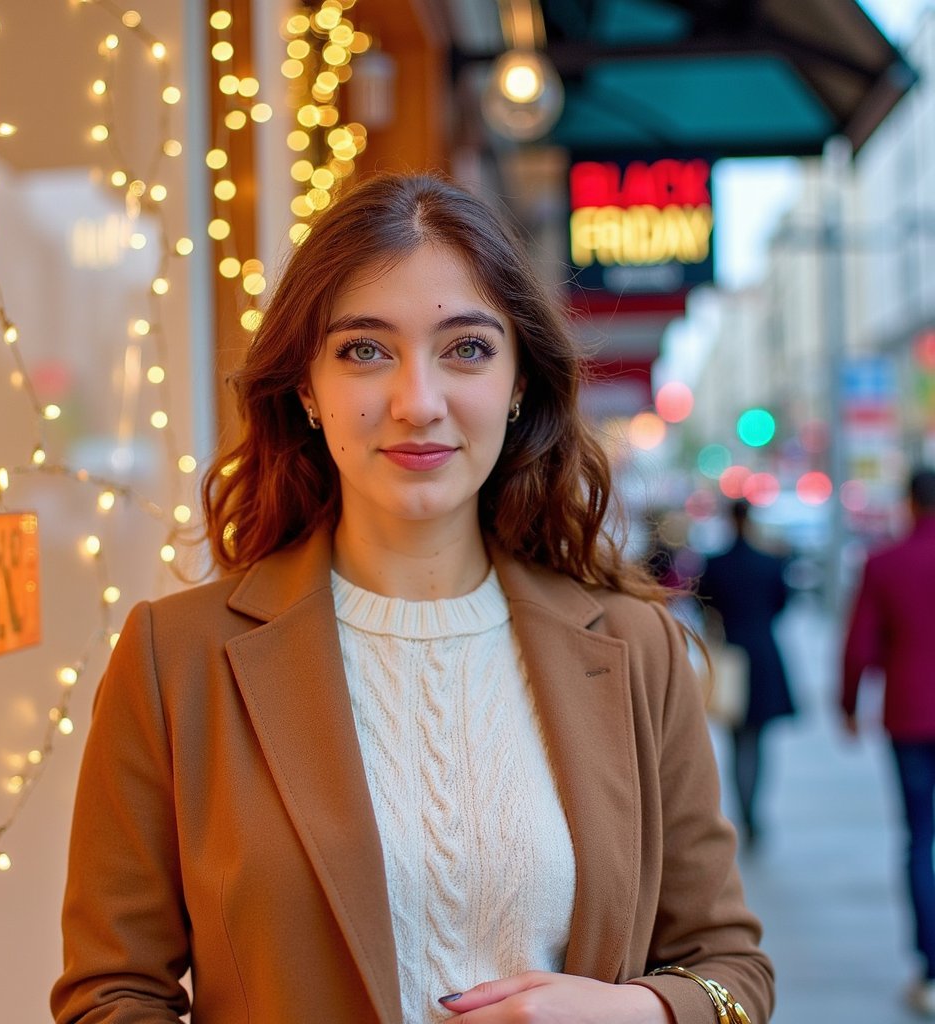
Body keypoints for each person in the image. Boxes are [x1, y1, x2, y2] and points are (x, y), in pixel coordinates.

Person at [51, 173, 773, 1024]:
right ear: (308, 391)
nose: (417, 403)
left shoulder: (633, 647)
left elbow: (733, 974)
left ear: (517, 385)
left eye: (465, 349)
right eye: (365, 349)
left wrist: (638, 1011)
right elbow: (110, 992)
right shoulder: (177, 660)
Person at [842, 466, 935, 1016]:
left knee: (918, 837)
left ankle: (930, 966)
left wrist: (848, 705)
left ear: (909, 503)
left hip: (909, 715)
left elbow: (860, 644)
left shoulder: (884, 562)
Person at [697, 500, 795, 846]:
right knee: (758, 741)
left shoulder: (715, 564)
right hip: (764, 655)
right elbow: (782, 603)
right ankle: (754, 814)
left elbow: (703, 605)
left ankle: (746, 812)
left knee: (739, 741)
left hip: (732, 653)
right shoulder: (769, 563)